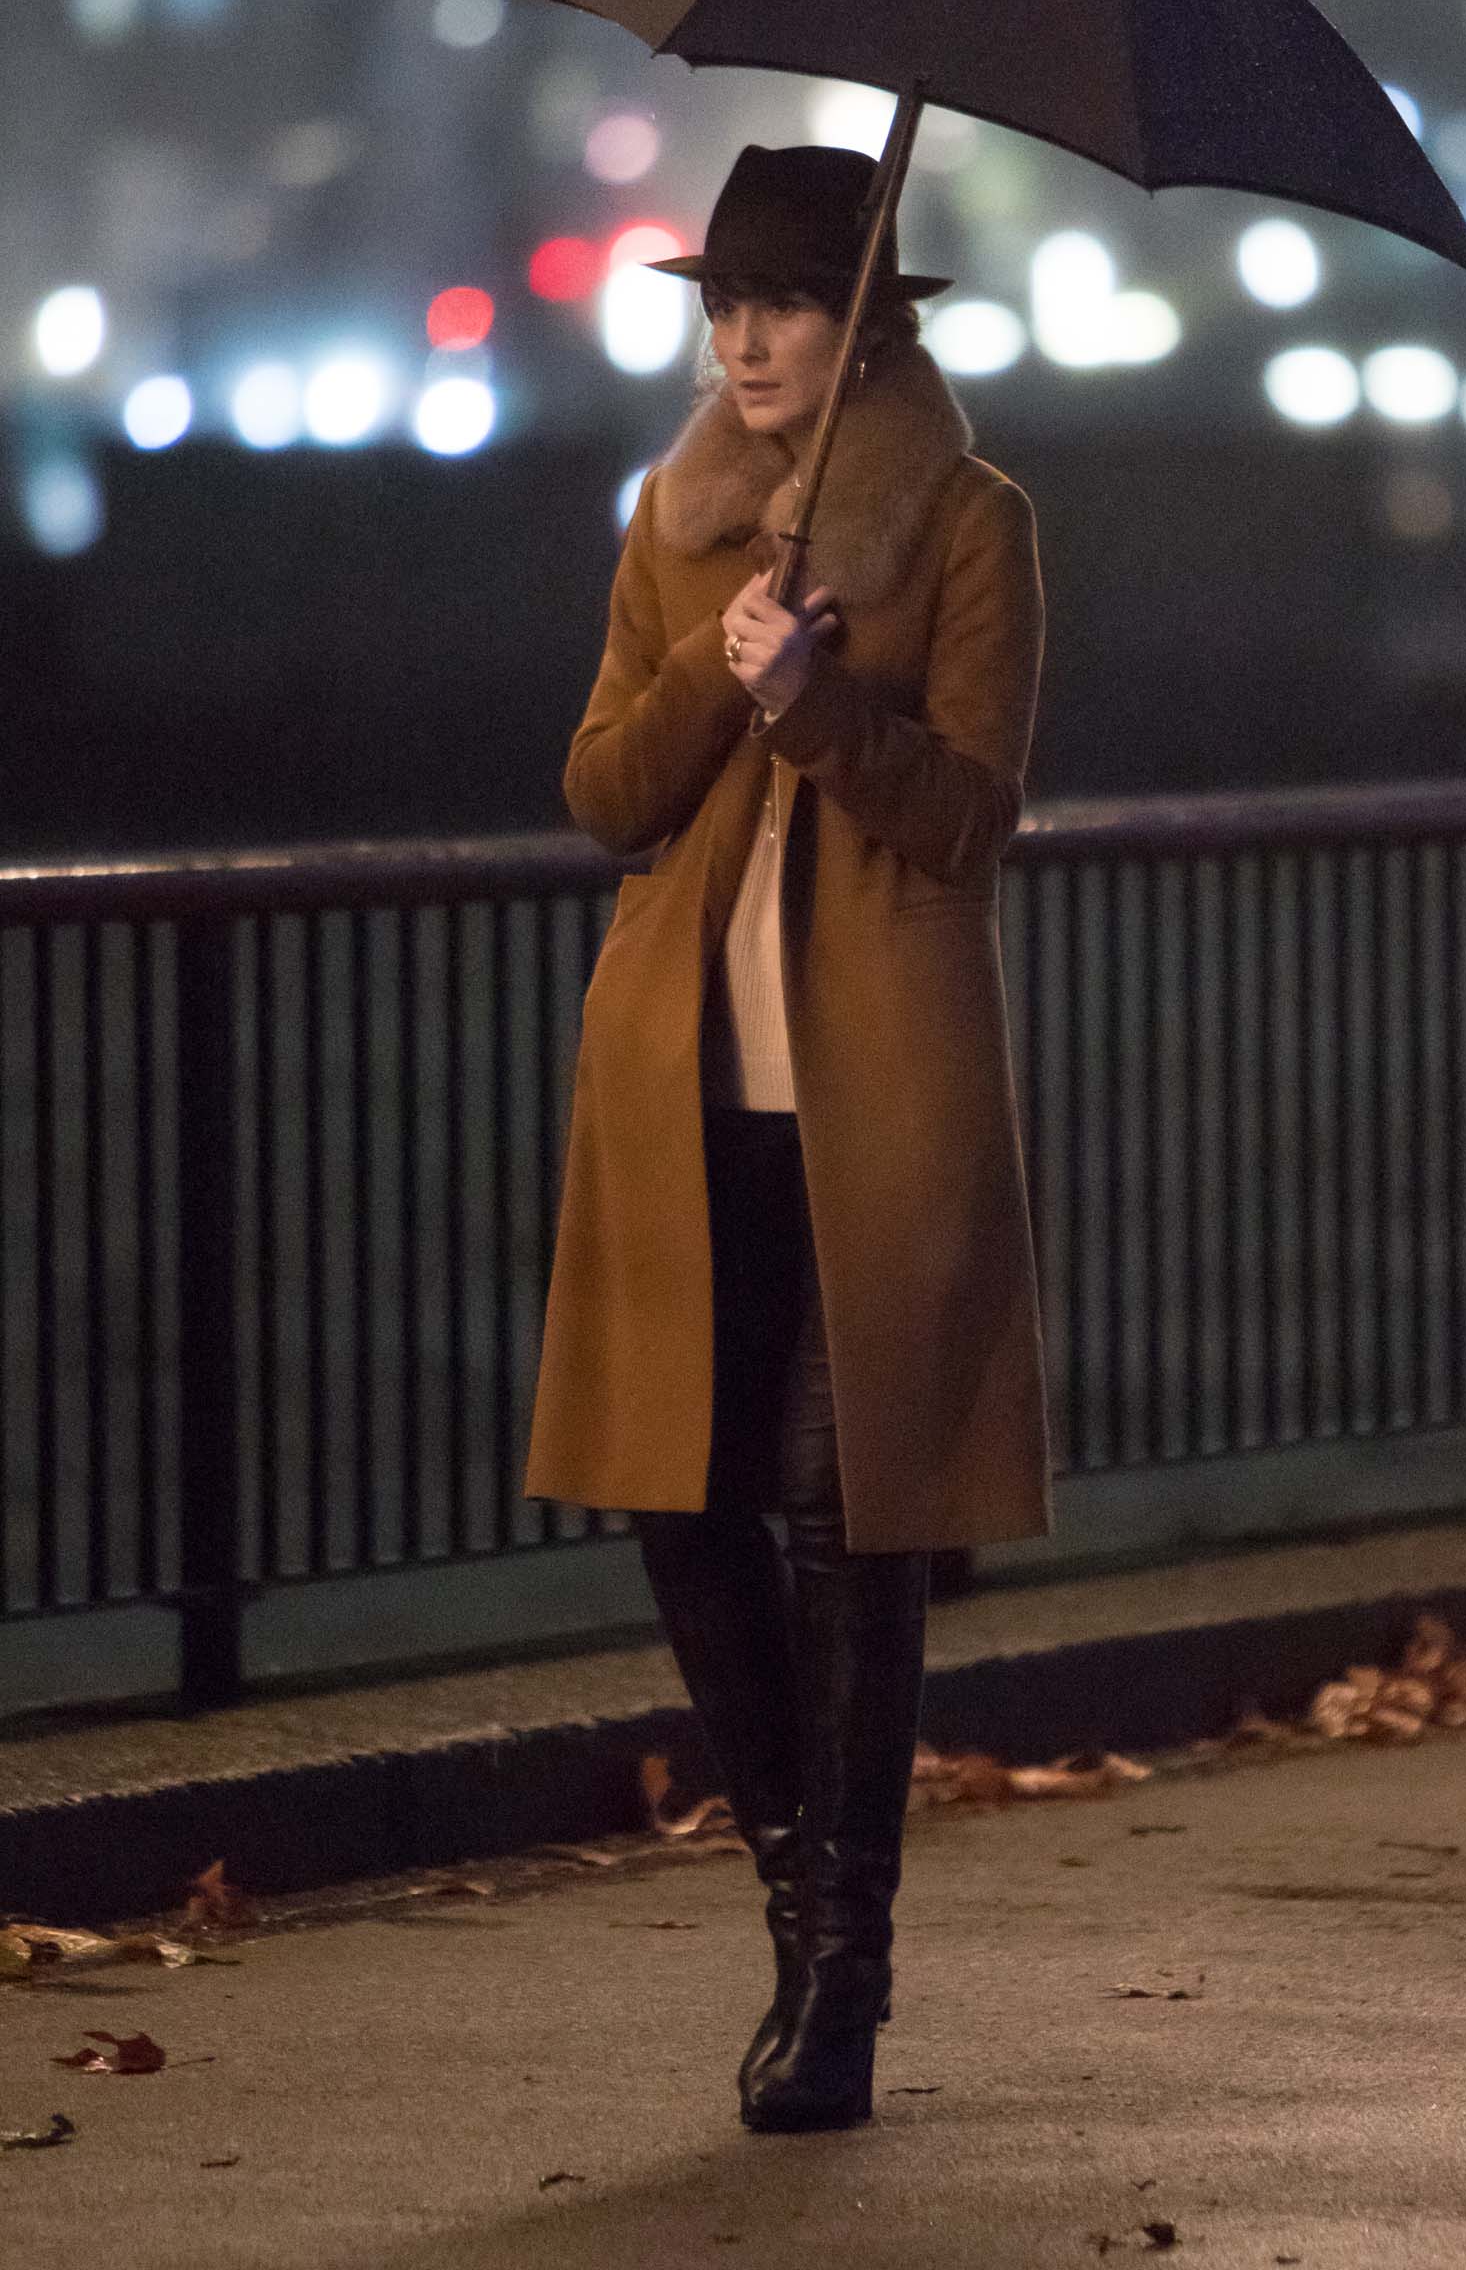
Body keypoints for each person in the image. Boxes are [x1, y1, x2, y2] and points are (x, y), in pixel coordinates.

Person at [521, 141, 1051, 2135]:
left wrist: (818, 703)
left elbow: (968, 812)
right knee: (681, 1493)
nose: (742, 336)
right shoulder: (674, 524)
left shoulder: (973, 522)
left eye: (785, 301)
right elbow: (597, 788)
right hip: (676, 1086)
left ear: (866, 318)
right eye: (721, 302)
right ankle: (788, 1896)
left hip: (871, 1088)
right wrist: (715, 652)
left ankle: (849, 1966)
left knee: (850, 1517)